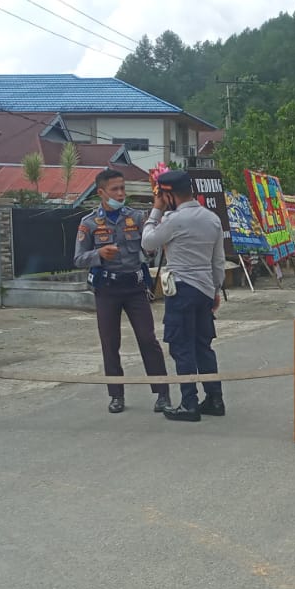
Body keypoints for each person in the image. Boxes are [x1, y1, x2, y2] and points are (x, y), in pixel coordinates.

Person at [74, 169, 171, 414]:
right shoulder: (89, 224)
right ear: (101, 193)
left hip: (135, 287)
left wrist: (150, 251)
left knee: (148, 339)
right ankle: (116, 394)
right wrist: (98, 254)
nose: (120, 193)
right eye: (115, 189)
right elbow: (78, 258)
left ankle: (162, 393)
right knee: (110, 343)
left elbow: (150, 246)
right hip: (107, 289)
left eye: (122, 188)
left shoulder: (137, 217)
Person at [142, 170, 226, 422]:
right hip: (204, 290)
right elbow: (218, 261)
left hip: (182, 290)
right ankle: (214, 398)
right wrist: (215, 290)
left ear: (167, 194)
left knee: (181, 347)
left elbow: (148, 243)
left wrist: (155, 212)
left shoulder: (174, 220)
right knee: (203, 346)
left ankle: (189, 403)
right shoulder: (211, 218)